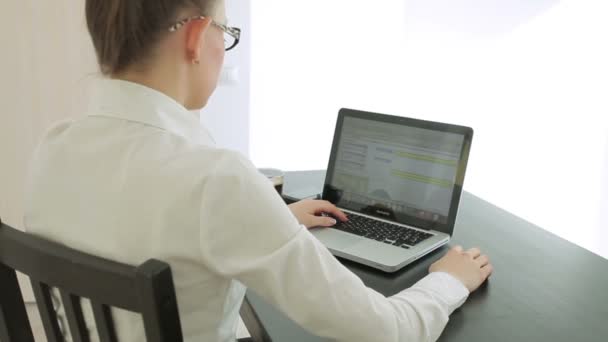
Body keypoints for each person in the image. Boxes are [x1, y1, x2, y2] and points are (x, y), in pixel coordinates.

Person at [24, 0, 493, 341]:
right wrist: (450, 279)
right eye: (226, 35)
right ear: (195, 37)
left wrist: (274, 216)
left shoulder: (54, 148)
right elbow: (386, 330)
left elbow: (139, 228)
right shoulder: (214, 178)